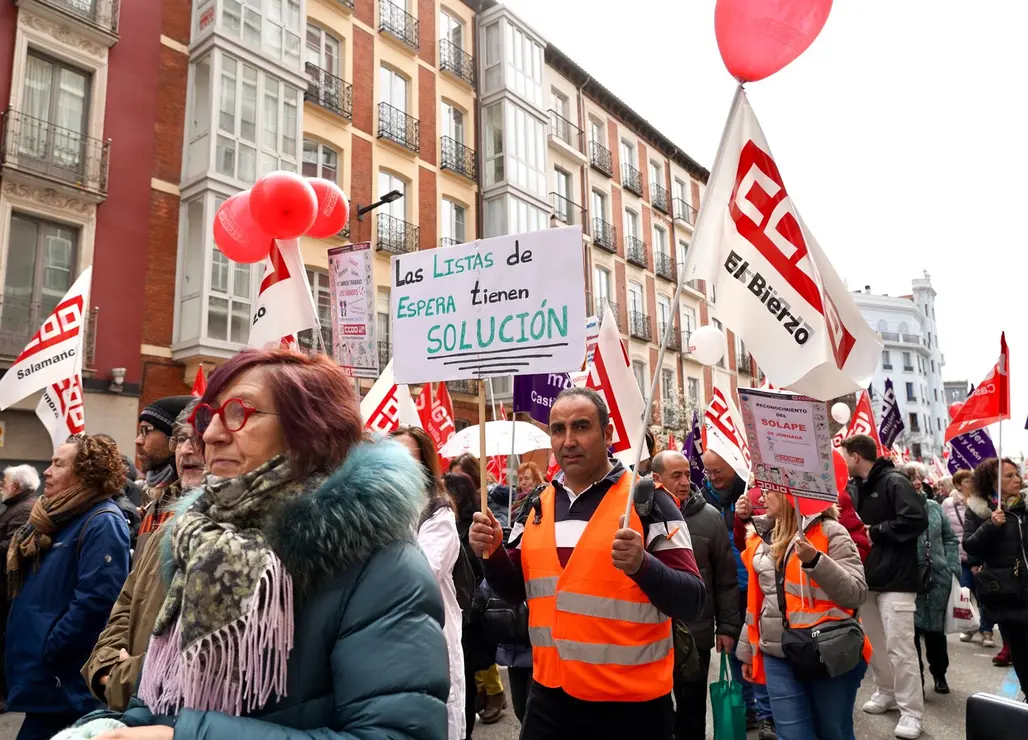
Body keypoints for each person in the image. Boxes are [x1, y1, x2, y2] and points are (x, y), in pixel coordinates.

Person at [79, 349, 448, 740]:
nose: (211, 434)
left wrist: (186, 737)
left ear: (311, 430)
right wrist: (107, 728)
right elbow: (162, 696)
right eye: (209, 415)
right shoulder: (198, 541)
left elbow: (400, 734)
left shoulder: (384, 567)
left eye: (241, 412)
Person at [469, 387, 705, 740]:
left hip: (632, 708)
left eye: (581, 426)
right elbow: (515, 590)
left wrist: (643, 565)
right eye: (558, 429)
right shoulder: (536, 505)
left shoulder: (649, 502)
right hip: (550, 700)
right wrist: (492, 553)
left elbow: (693, 600)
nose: (568, 440)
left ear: (607, 434)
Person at [5, 436, 130, 740]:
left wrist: (52, 647)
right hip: (43, 675)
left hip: (63, 681)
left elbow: (96, 603)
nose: (47, 471)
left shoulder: (103, 522)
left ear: (86, 473)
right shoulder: (58, 518)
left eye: (58, 464)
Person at [82, 401, 204, 711]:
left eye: (201, 438)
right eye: (182, 439)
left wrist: (127, 676)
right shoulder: (162, 515)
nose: (187, 450)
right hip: (130, 701)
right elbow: (126, 603)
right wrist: (105, 668)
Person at [737, 489, 871, 740]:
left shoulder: (831, 532)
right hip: (779, 655)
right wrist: (748, 651)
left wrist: (815, 562)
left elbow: (856, 593)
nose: (762, 498)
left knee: (833, 732)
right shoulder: (759, 537)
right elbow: (760, 600)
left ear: (790, 496)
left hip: (829, 651)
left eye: (769, 492)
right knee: (792, 735)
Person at [651, 451, 746, 740]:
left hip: (696, 634)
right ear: (657, 479)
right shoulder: (640, 515)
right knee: (655, 711)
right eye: (675, 475)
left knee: (692, 710)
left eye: (687, 474)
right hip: (649, 634)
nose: (684, 481)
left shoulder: (710, 518)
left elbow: (726, 580)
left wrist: (728, 628)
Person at [840, 434, 927, 739]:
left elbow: (917, 518)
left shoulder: (894, 481)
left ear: (856, 457)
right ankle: (886, 692)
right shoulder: (856, 487)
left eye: (843, 455)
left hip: (897, 579)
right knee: (875, 643)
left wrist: (875, 532)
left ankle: (911, 712)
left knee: (900, 647)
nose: (841, 460)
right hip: (868, 578)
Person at [393, 427, 466, 740]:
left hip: (431, 641)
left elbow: (418, 575)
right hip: (389, 646)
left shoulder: (438, 513)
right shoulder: (370, 509)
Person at [701, 449, 773, 732]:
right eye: (708, 472)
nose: (713, 477)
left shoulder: (754, 495)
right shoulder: (702, 499)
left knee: (761, 647)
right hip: (725, 588)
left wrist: (748, 516)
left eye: (718, 471)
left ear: (734, 465)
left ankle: (766, 709)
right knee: (733, 647)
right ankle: (748, 708)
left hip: (756, 585)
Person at [450, 454, 507, 725]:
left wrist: (485, 549)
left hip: (476, 602)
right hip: (459, 606)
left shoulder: (473, 522)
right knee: (469, 661)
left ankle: (495, 694)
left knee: (481, 658)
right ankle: (483, 694)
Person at [963, 458, 1028, 693]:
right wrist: (990, 525)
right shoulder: (980, 511)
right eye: (1008, 476)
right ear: (993, 482)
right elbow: (970, 545)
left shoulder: (1025, 505)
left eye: (1016, 474)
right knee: (1020, 652)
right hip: (1006, 592)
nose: (1016, 480)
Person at [904, 464, 960, 695]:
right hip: (908, 579)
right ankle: (917, 678)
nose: (918, 482)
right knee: (911, 633)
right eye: (911, 478)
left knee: (936, 630)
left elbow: (950, 538)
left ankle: (940, 673)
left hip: (938, 577)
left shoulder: (934, 507)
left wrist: (950, 566)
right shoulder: (896, 510)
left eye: (919, 477)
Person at [0, 465, 40, 711]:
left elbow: (13, 547)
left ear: (15, 486)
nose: (2, 485)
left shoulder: (24, 508)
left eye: (4, 481)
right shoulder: (19, 506)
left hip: (7, 590)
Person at [946, 470, 996, 647]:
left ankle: (986, 630)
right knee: (964, 593)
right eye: (966, 481)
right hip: (960, 556)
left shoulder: (983, 503)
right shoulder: (948, 504)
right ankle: (969, 626)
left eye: (972, 481)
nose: (970, 484)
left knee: (984, 594)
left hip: (982, 555)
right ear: (958, 485)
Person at [135, 396, 193, 525]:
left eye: (146, 430)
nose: (138, 441)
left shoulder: (196, 508)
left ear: (172, 437)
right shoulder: (154, 502)